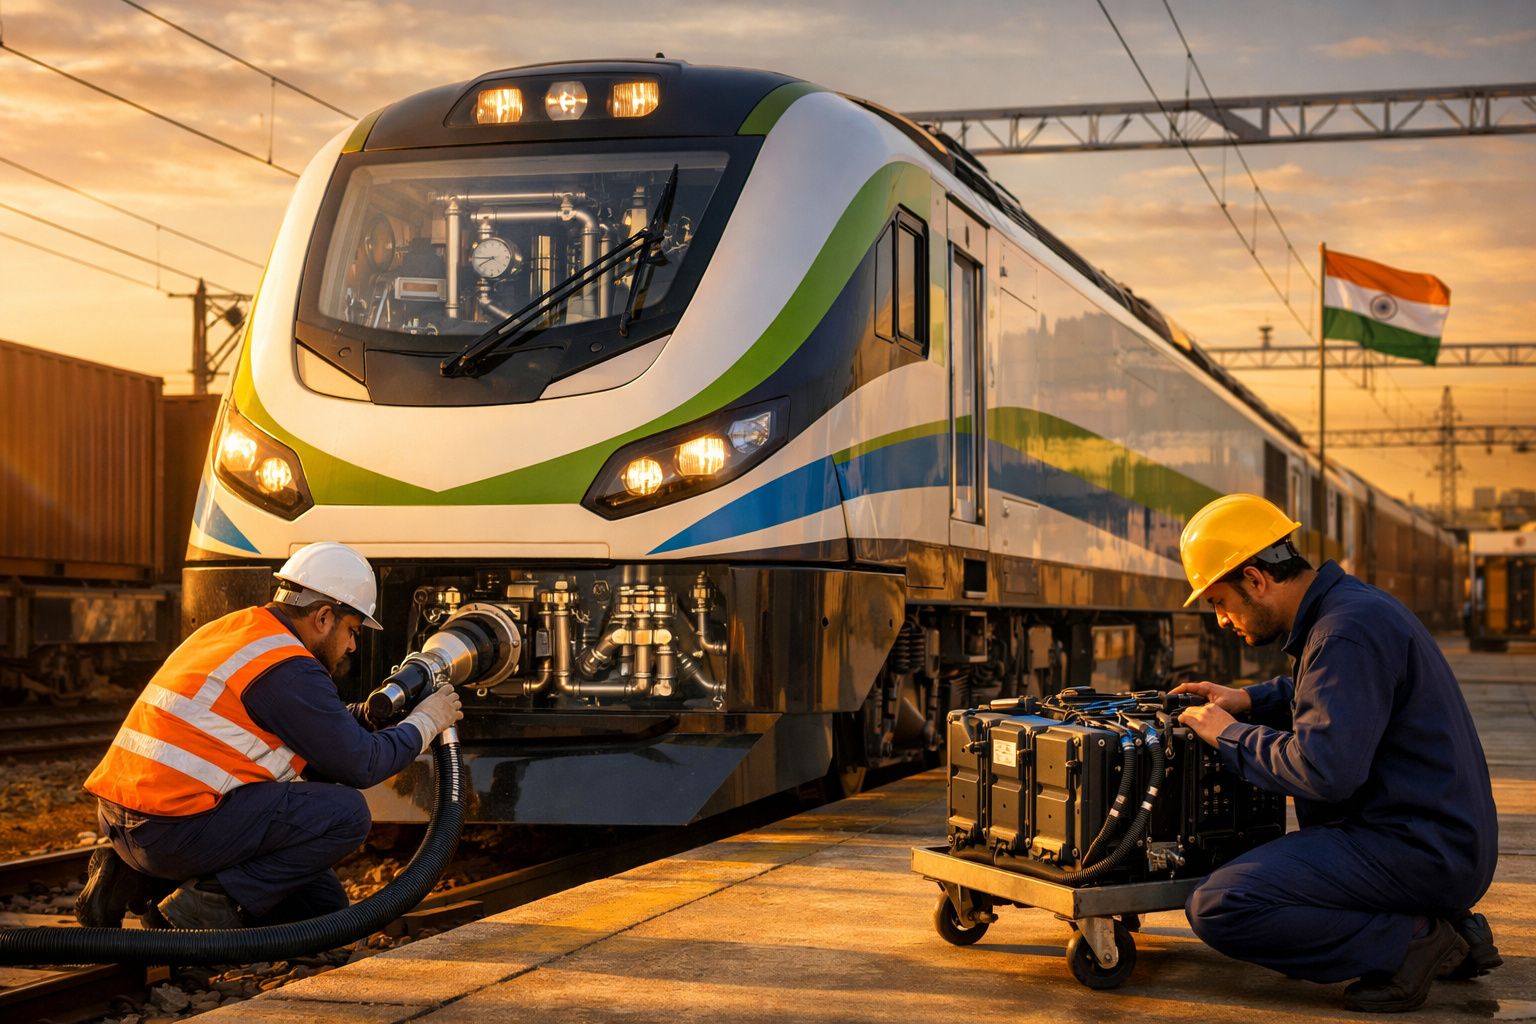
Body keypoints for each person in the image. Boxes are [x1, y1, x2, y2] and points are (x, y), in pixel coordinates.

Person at [1171, 493, 1500, 1013]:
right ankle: (1448, 926)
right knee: (1258, 872)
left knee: (1222, 903)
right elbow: (1330, 693)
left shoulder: (1344, 632)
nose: (1222, 620)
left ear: (1255, 579)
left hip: (1420, 848)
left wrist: (1230, 734)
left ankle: (1413, 942)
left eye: (1219, 602)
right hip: (1436, 840)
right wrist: (1249, 700)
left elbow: (1323, 769)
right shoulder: (1351, 609)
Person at [75, 541, 462, 930]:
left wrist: (366, 716)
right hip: (170, 832)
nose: (351, 645)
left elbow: (310, 727)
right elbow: (361, 764)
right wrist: (427, 721)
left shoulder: (240, 630)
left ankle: (130, 879)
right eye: (351, 630)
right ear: (324, 616)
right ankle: (205, 905)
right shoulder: (288, 666)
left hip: (125, 821)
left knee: (320, 909)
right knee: (346, 815)